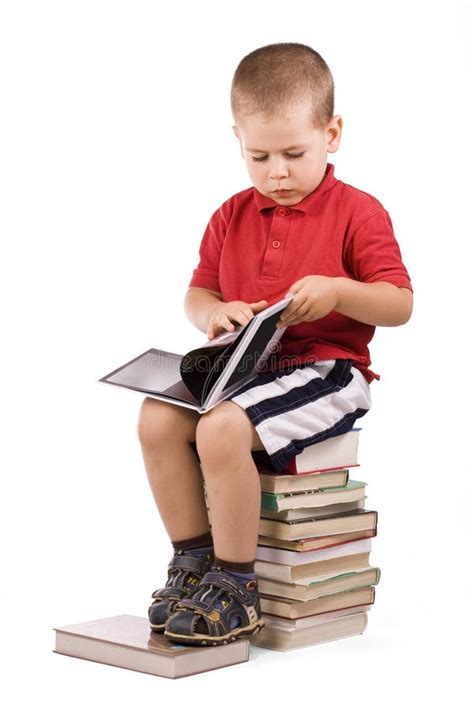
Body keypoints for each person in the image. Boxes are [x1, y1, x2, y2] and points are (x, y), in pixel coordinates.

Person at [137, 42, 413, 646]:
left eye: (294, 153)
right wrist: (216, 312)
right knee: (157, 416)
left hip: (329, 371)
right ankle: (193, 563)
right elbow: (196, 295)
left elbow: (400, 304)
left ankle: (238, 584)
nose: (277, 172)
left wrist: (341, 291)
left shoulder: (358, 213)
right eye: (258, 156)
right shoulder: (230, 215)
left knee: (220, 429)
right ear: (236, 138)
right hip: (251, 369)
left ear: (331, 133)